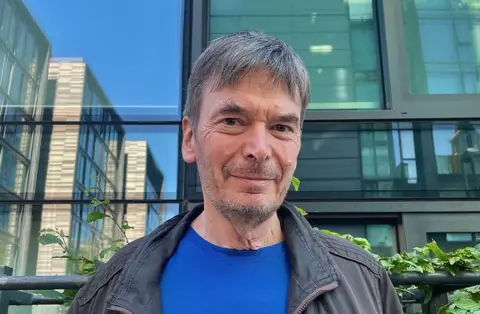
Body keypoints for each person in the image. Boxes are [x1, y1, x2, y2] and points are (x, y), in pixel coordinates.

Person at [67, 30, 404, 314]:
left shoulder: (365, 283)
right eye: (232, 121)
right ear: (190, 138)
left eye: (282, 127)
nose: (259, 148)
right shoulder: (110, 291)